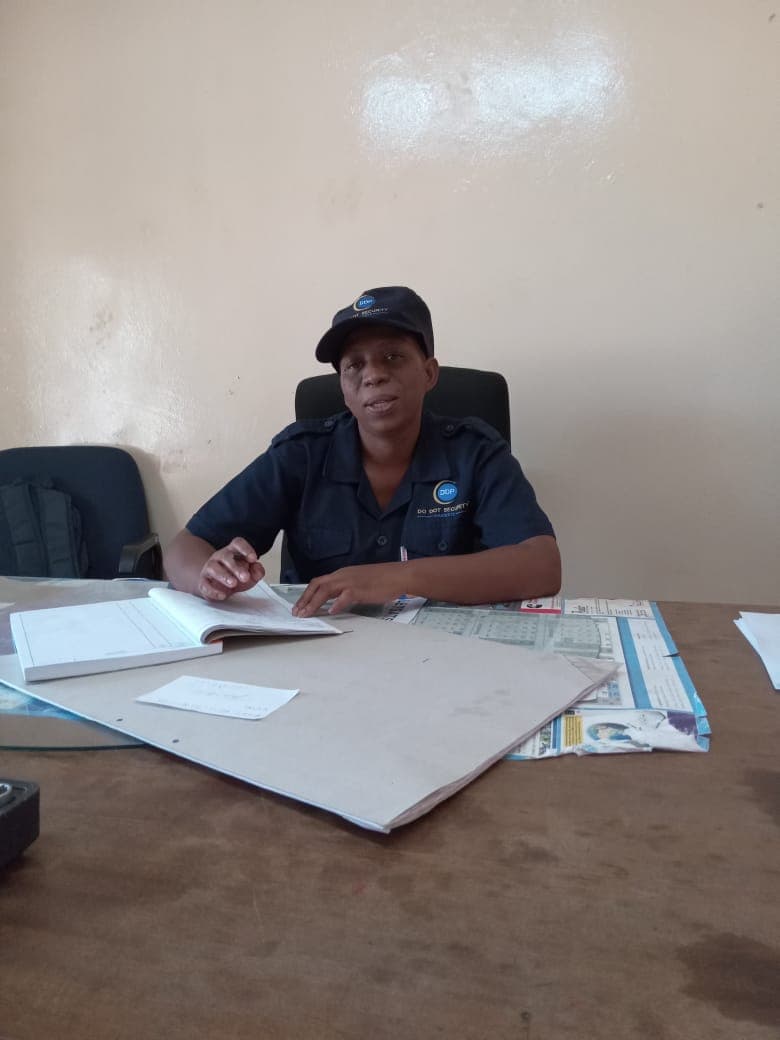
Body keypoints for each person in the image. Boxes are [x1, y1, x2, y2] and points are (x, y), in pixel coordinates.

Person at [164, 286, 561, 617]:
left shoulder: (474, 452)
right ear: (342, 387)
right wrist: (207, 576)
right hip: (321, 654)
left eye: (392, 357)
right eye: (354, 365)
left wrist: (392, 578)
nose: (372, 374)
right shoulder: (300, 454)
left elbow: (541, 566)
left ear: (428, 373)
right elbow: (184, 548)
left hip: (443, 657)